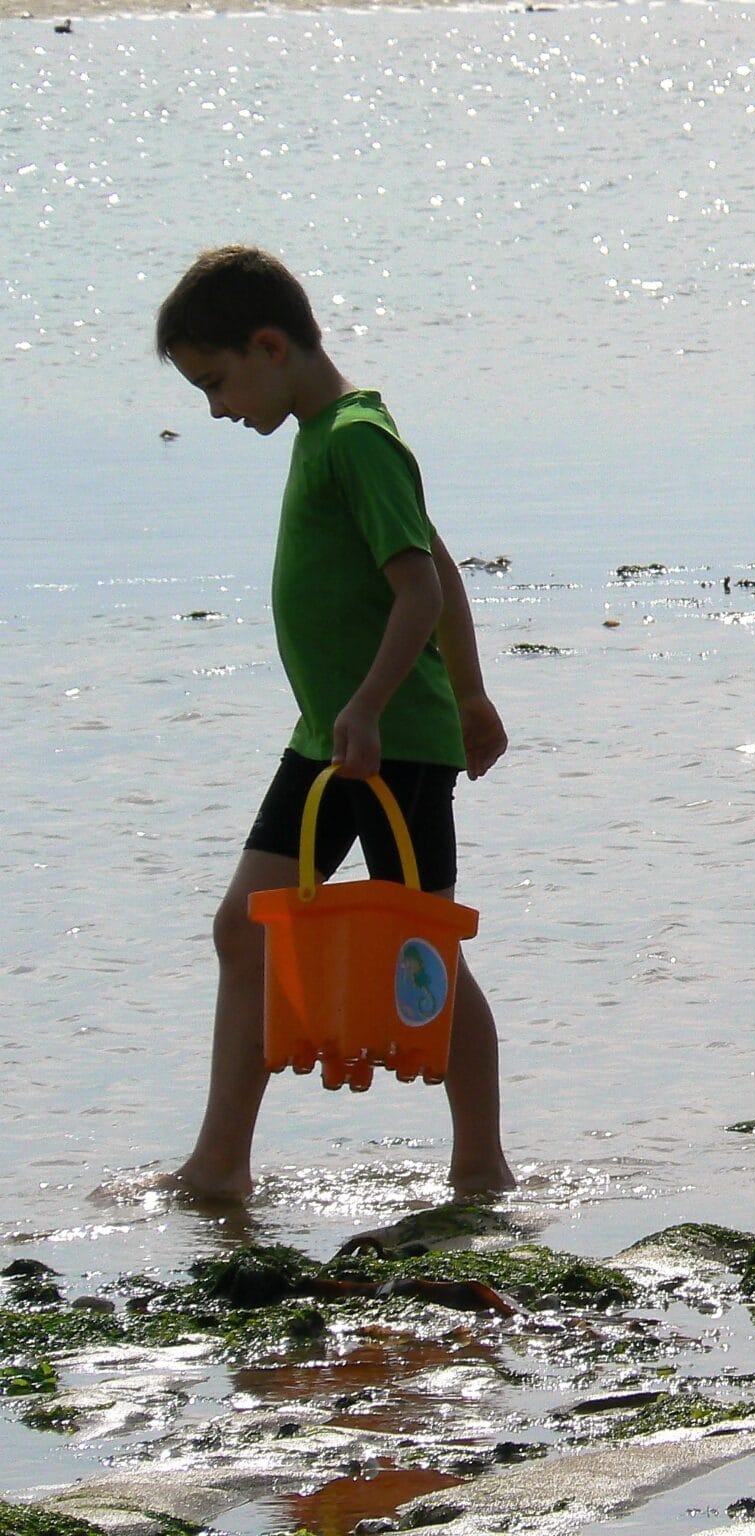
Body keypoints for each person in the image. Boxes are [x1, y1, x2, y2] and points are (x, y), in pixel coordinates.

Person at [155, 245, 514, 1200]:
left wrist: (381, 704)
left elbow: (418, 584)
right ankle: (219, 1163)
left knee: (424, 948)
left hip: (383, 744)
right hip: (328, 736)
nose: (216, 408)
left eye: (217, 382)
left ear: (270, 346)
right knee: (244, 928)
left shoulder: (355, 436)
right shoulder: (328, 433)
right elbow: (439, 561)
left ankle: (481, 1162)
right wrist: (472, 692)